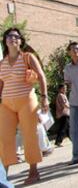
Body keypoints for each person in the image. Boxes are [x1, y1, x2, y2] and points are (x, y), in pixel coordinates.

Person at [0, 28, 49, 184]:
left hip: (26, 100)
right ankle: (3, 176)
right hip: (6, 103)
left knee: (29, 135)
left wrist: (44, 97)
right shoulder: (2, 62)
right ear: (5, 41)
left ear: (20, 41)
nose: (12, 38)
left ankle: (33, 172)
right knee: (4, 138)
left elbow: (41, 76)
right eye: (9, 36)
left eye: (16, 36)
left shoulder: (28, 57)